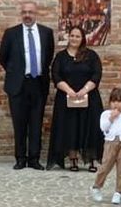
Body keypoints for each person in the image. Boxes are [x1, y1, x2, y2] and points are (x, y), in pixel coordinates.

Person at [0, 1, 55, 170]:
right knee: (19, 122)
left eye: (30, 12)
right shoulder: (11, 33)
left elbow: (48, 56)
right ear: (20, 14)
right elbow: (3, 57)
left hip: (38, 83)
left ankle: (34, 158)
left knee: (36, 122)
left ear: (36, 13)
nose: (27, 15)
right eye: (24, 12)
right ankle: (20, 158)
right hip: (18, 84)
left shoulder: (46, 33)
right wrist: (15, 71)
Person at [46, 26, 104, 172]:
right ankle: (73, 160)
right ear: (68, 37)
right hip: (66, 98)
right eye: (72, 35)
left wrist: (84, 90)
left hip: (89, 98)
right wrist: (70, 91)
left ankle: (91, 160)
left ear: (82, 38)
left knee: (89, 128)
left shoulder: (91, 55)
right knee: (70, 128)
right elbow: (56, 75)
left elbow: (96, 75)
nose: (74, 39)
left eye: (78, 36)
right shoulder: (60, 57)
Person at [90, 88, 121, 204]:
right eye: (114, 101)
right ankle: (96, 186)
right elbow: (103, 128)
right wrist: (111, 118)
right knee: (106, 165)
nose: (116, 104)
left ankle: (118, 192)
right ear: (110, 102)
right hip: (111, 142)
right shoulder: (106, 114)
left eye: (120, 101)